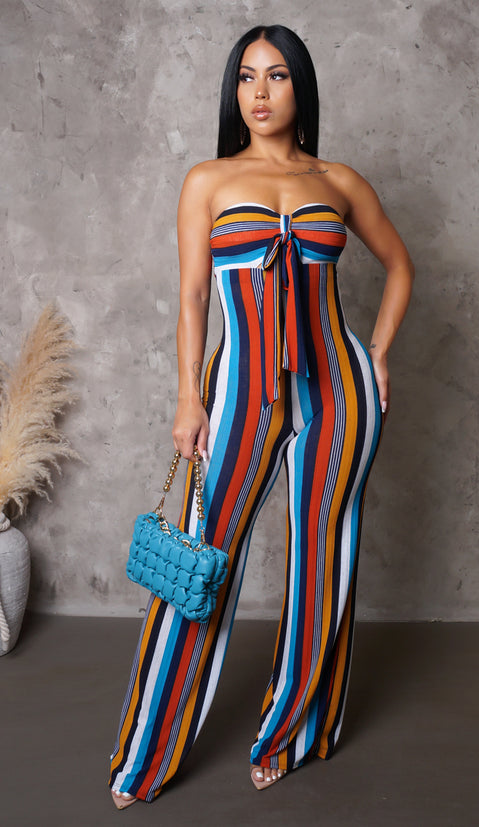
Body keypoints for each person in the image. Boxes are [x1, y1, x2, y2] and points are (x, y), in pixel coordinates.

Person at [109, 24, 414, 809]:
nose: (261, 92)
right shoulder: (207, 180)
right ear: (233, 91)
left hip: (337, 391)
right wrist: (189, 396)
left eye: (277, 76)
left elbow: (400, 264)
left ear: (299, 87)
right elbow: (191, 298)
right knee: (202, 558)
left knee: (324, 561)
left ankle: (291, 734)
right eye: (247, 77)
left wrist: (377, 355)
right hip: (239, 393)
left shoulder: (338, 180)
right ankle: (147, 754)